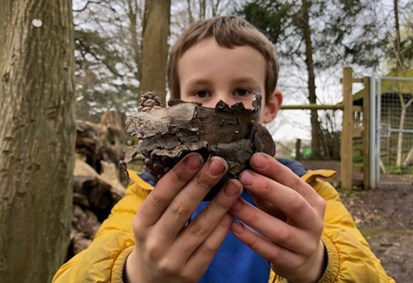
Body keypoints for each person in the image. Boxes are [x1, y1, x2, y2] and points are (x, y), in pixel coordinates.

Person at [53, 15, 394, 283]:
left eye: (242, 91)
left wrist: (320, 265)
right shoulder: (146, 198)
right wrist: (135, 274)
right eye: (201, 93)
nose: (220, 105)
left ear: (270, 106)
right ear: (174, 109)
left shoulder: (310, 194)